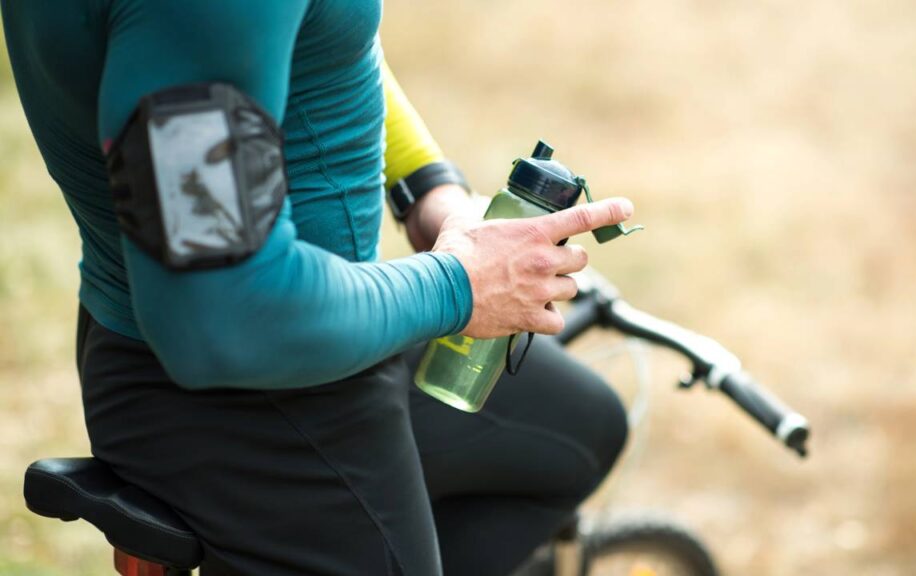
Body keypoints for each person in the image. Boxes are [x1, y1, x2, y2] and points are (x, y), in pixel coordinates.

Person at [1, 1, 634, 574]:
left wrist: (431, 191)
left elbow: (319, 37)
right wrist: (461, 284)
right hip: (255, 398)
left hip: (330, 327)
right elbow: (225, 314)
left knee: (579, 432)